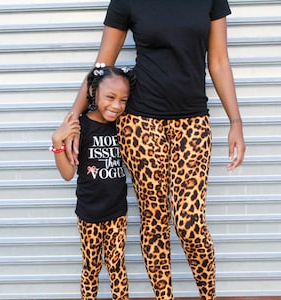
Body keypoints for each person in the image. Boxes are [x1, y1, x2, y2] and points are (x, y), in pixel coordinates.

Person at [65, 1, 246, 299]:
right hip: (140, 124)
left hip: (193, 122)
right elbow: (102, 64)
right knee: (155, 220)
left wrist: (235, 120)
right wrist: (73, 119)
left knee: (190, 224)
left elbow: (218, 61)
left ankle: (208, 295)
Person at [50, 64, 136, 300]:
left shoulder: (123, 126)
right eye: (110, 97)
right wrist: (58, 140)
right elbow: (68, 173)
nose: (116, 105)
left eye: (123, 100)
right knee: (91, 268)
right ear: (93, 93)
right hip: (89, 215)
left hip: (117, 214)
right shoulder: (81, 128)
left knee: (117, 267)